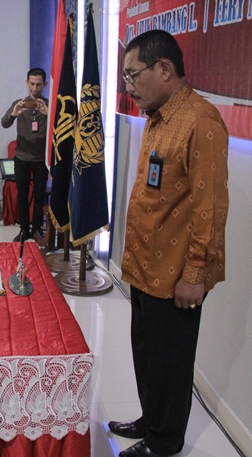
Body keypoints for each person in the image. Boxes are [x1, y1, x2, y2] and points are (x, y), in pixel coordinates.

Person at [110, 30, 229, 457]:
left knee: (170, 362)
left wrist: (194, 274)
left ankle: (164, 442)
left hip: (176, 274)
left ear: (164, 69)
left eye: (132, 75)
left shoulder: (201, 121)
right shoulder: (159, 118)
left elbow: (209, 208)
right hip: (144, 267)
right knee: (146, 353)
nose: (128, 86)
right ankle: (151, 418)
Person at [1, 67, 50, 245]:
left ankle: (36, 228)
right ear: (27, 83)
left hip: (41, 160)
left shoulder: (49, 105)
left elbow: (60, 128)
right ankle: (24, 229)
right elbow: (4, 123)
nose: (35, 88)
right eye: (32, 84)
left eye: (39, 84)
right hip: (21, 157)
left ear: (45, 84)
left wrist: (49, 114)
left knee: (39, 195)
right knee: (22, 195)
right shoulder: (19, 103)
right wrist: (14, 114)